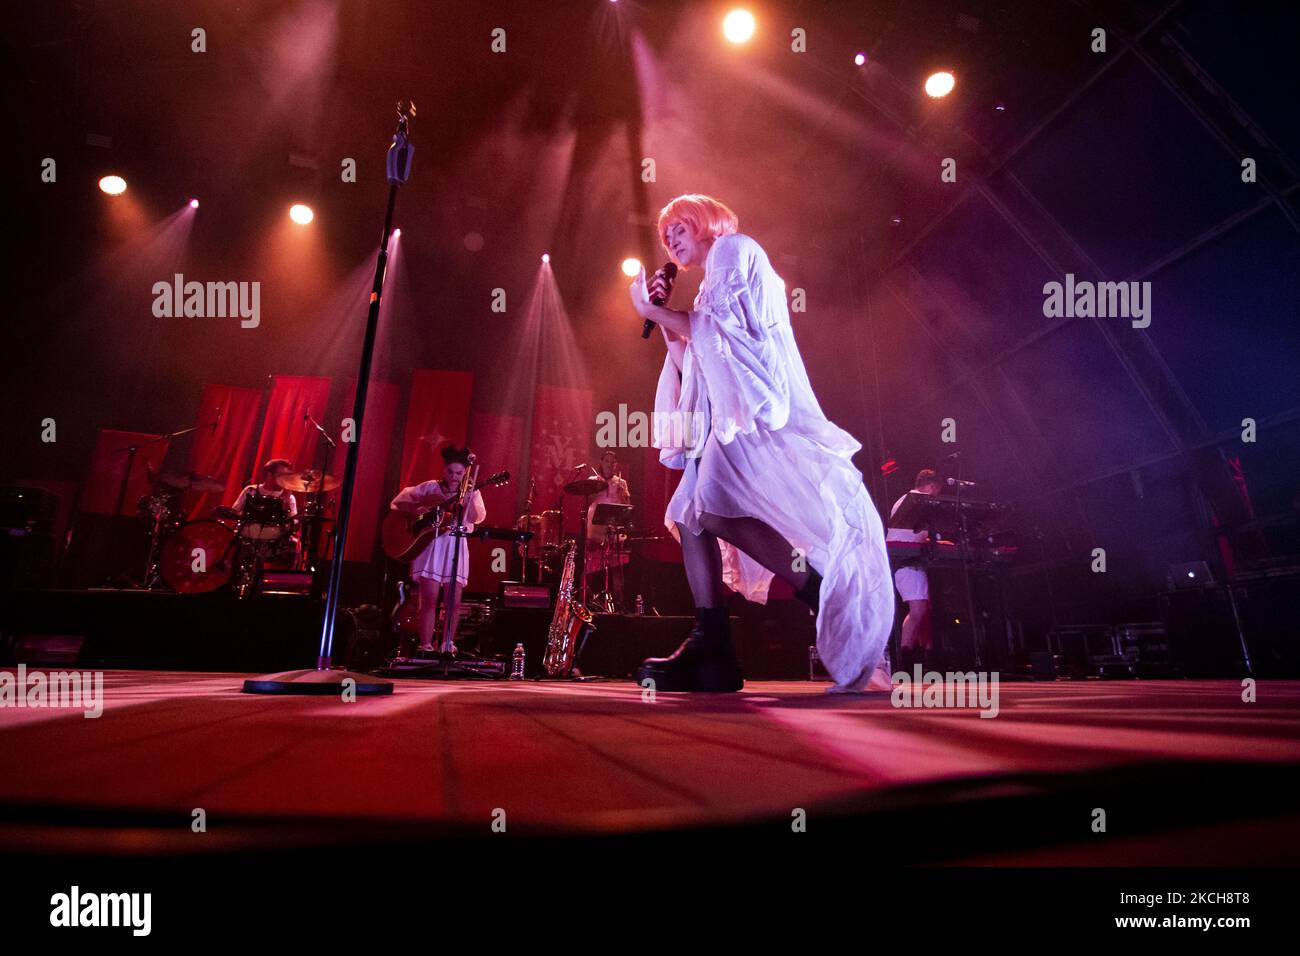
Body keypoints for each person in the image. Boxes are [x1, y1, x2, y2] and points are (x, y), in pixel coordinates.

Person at [628, 194, 894, 692]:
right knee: (692, 515)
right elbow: (698, 364)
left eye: (678, 229)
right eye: (665, 237)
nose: (670, 241)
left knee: (704, 511)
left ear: (704, 221)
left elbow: (725, 339)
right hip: (724, 419)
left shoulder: (732, 250)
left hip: (746, 418)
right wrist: (664, 318)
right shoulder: (708, 285)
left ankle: (812, 592)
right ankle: (713, 645)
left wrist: (650, 310)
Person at [390, 445, 486, 656]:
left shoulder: (472, 491)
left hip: (455, 544)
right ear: (444, 470)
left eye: (459, 473)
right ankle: (426, 646)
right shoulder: (430, 488)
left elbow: (472, 519)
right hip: (431, 546)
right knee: (429, 599)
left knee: (454, 600)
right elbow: (397, 503)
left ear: (464, 474)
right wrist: (418, 509)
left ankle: (447, 644)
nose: (454, 477)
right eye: (450, 472)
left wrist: (468, 496)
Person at [886, 469, 942, 671]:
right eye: (936, 491)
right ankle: (905, 660)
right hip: (905, 559)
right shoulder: (916, 500)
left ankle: (926, 659)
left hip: (911, 558)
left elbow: (913, 532)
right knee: (918, 609)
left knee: (923, 609)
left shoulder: (909, 501)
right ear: (932, 486)